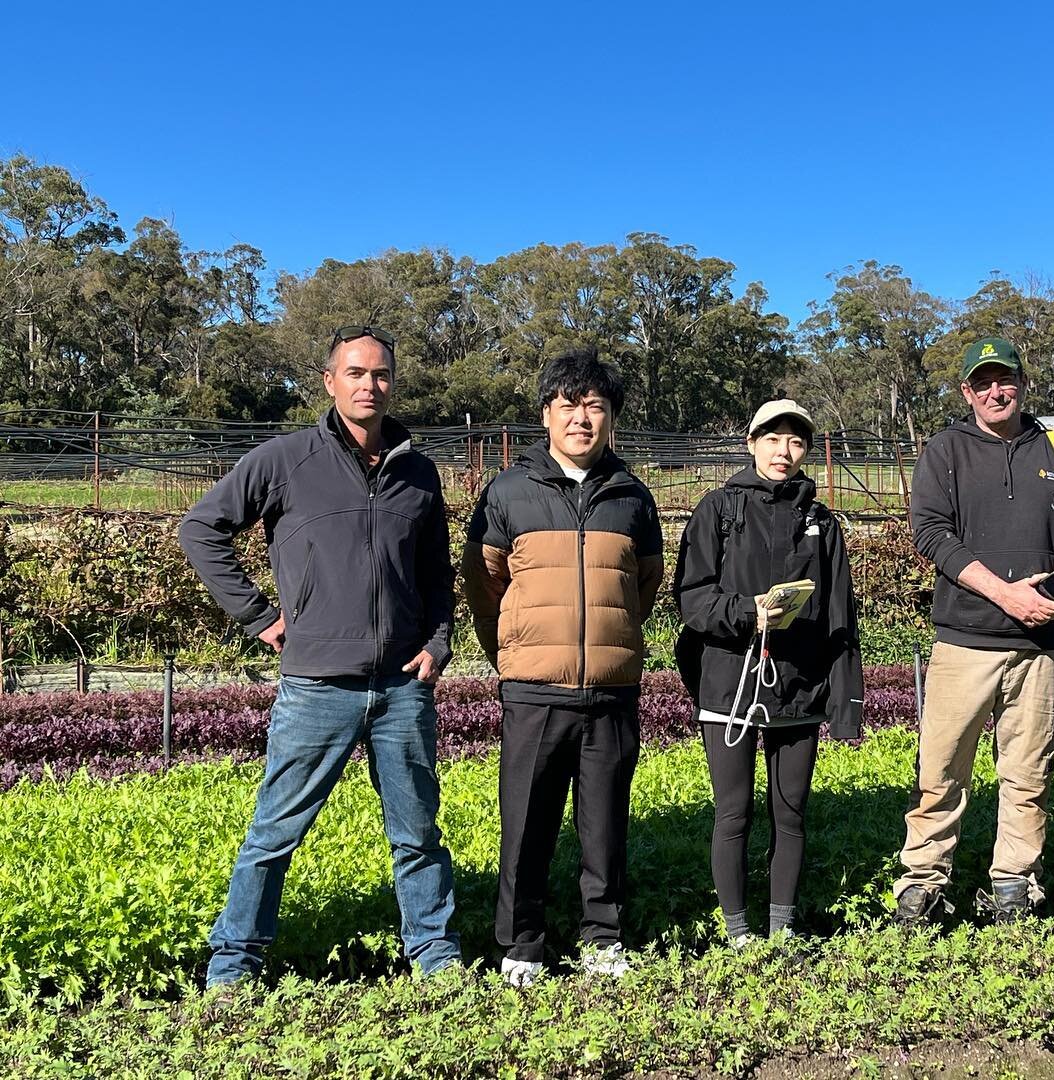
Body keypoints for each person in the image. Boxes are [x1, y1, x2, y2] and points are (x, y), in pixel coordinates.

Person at [179, 323, 462, 987]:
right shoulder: (286, 460)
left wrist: (439, 642)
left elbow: (437, 572)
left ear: (394, 383)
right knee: (273, 837)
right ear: (331, 382)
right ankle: (233, 968)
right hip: (316, 686)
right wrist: (260, 616)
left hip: (401, 687)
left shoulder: (418, 473)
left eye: (382, 374)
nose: (370, 385)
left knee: (418, 837)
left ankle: (438, 962)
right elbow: (202, 527)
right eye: (356, 373)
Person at [462, 345, 663, 986]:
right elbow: (483, 584)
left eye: (596, 406)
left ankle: (603, 936)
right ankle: (521, 942)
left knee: (604, 822)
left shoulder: (632, 495)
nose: (582, 418)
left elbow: (646, 585)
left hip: (611, 690)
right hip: (533, 689)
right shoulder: (508, 491)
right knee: (525, 821)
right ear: (545, 413)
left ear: (612, 418)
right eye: (569, 405)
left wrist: (611, 639)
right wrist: (515, 651)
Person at [891, 337, 1054, 925]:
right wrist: (1006, 593)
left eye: (1004, 379)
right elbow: (931, 533)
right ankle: (924, 881)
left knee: (1028, 772)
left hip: (1040, 646)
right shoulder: (946, 451)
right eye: (982, 382)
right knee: (939, 771)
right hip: (964, 640)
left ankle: (1016, 880)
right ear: (967, 391)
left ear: (1021, 383)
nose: (995, 391)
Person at [673, 399, 863, 945]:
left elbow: (839, 616)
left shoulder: (822, 523)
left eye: (796, 442)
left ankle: (782, 928)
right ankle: (738, 933)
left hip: (798, 688)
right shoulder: (718, 509)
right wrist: (747, 611)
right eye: (773, 439)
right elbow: (693, 601)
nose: (785, 452)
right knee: (733, 815)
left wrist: (845, 706)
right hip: (730, 685)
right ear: (752, 443)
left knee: (791, 814)